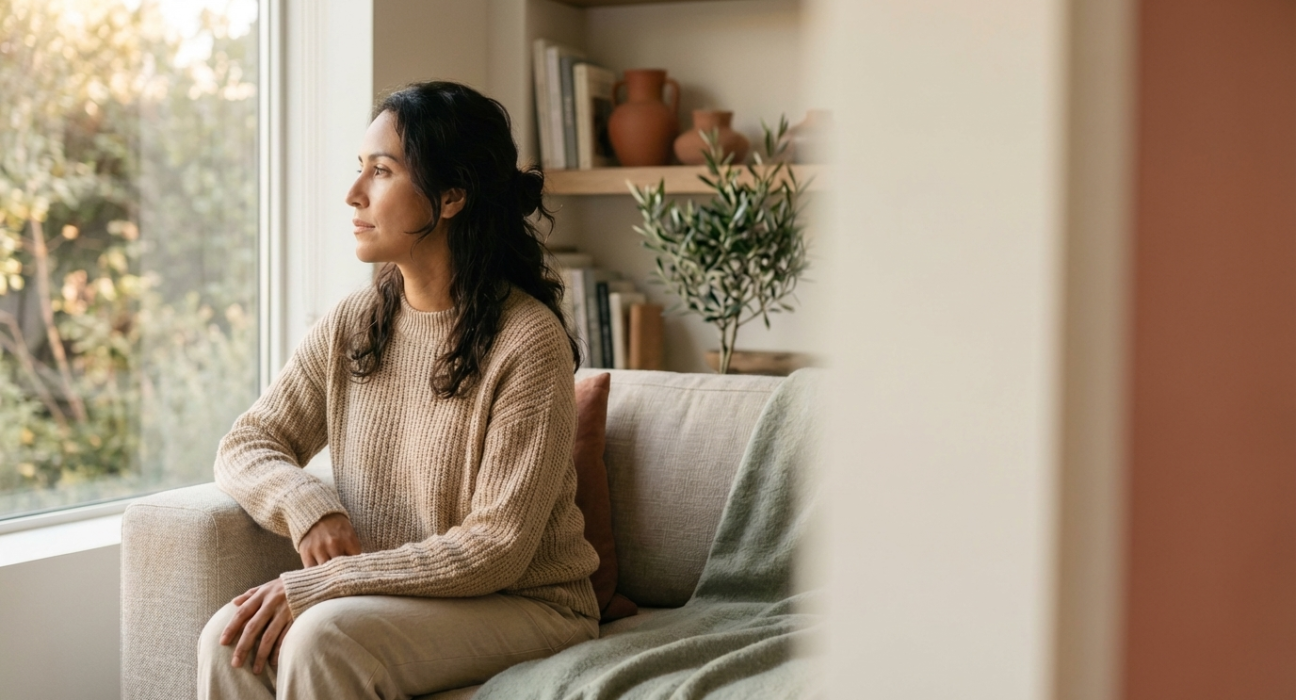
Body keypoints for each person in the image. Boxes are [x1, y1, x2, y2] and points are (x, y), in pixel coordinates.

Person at [197, 81, 599, 699]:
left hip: (529, 605)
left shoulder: (528, 341)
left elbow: (497, 549)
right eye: (360, 170)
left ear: (452, 195)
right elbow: (247, 443)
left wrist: (328, 582)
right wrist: (312, 507)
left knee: (320, 637)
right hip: (391, 595)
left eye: (381, 172)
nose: (354, 195)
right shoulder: (354, 323)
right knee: (231, 637)